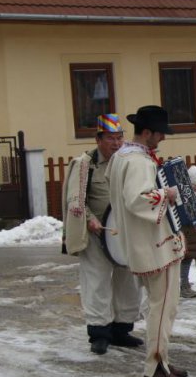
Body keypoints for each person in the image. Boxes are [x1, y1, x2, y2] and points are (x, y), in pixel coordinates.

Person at [108, 105, 189, 377]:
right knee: (163, 305)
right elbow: (137, 198)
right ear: (146, 132)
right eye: (159, 133)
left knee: (162, 304)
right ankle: (154, 365)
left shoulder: (122, 157)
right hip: (154, 243)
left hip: (143, 242)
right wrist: (167, 193)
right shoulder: (138, 161)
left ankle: (160, 360)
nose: (162, 138)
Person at [61, 113, 143, 354]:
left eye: (119, 138)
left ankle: (121, 329)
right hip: (96, 233)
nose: (116, 143)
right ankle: (99, 332)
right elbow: (75, 198)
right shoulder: (85, 164)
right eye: (110, 138)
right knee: (96, 282)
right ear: (98, 139)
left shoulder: (127, 162)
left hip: (123, 232)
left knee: (128, 281)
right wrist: (89, 219)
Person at [180, 164, 196, 299]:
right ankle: (186, 286)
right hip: (192, 233)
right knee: (188, 261)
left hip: (194, 233)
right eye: (195, 184)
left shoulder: (186, 196)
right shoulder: (192, 197)